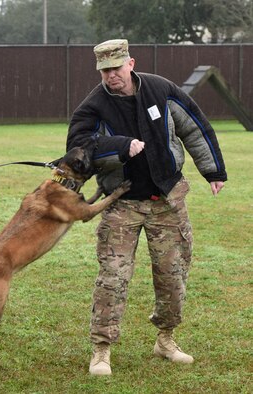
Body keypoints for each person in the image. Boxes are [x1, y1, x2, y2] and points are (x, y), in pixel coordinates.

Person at [67, 39, 227, 376]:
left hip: (167, 200)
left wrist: (213, 170)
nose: (111, 76)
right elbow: (79, 152)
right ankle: (101, 348)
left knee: (173, 275)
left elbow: (194, 127)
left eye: (116, 68)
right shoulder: (92, 107)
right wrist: (121, 146)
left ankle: (165, 339)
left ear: (130, 63)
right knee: (113, 277)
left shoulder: (161, 90)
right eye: (104, 70)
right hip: (121, 203)